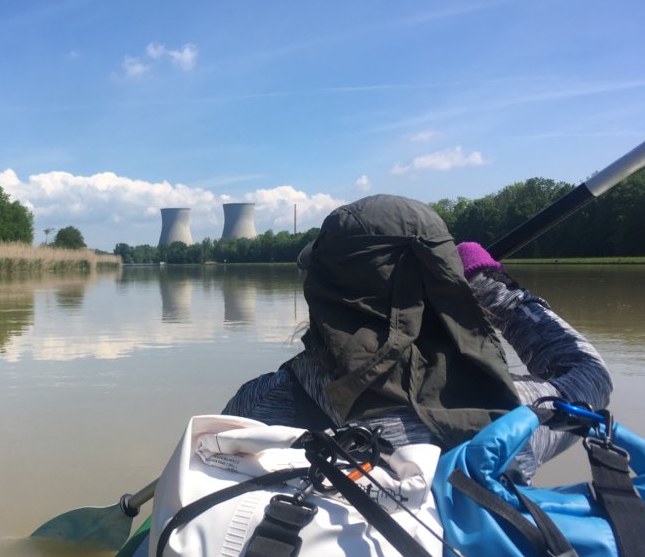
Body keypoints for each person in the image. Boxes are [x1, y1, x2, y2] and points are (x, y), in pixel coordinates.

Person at [222, 194, 612, 482]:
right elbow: (589, 375)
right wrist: (493, 288)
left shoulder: (264, 403)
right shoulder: (513, 415)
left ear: (321, 297)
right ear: (449, 286)